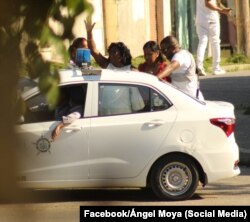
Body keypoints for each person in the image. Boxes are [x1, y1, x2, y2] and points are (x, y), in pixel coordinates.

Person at [157, 35, 204, 101]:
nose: (164, 54)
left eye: (164, 50)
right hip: (186, 100)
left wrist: (156, 78)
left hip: (192, 102)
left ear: (173, 48)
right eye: (162, 51)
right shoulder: (184, 54)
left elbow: (171, 67)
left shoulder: (180, 56)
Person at [196, 0, 231, 76]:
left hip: (200, 19)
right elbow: (207, 3)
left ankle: (199, 67)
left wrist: (223, 9)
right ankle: (216, 68)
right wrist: (221, 10)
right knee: (215, 42)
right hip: (211, 18)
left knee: (202, 42)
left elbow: (214, 3)